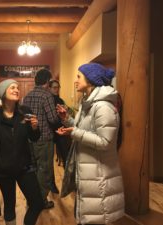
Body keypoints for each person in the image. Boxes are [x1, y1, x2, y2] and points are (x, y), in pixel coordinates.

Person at [56, 63, 125, 225]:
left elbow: (105, 141)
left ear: (91, 79)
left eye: (79, 76)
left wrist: (74, 132)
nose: (76, 80)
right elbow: (84, 129)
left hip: (99, 175)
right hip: (90, 173)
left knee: (99, 217)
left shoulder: (103, 106)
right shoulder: (87, 104)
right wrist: (67, 119)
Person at [0, 79, 44, 225]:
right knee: (9, 206)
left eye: (17, 88)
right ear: (4, 93)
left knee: (37, 203)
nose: (17, 90)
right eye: (12, 88)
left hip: (25, 167)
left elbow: (34, 137)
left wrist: (35, 128)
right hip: (3, 169)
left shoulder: (25, 113)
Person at [23, 69, 60, 209]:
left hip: (30, 140)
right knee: (44, 171)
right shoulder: (47, 95)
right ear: (47, 82)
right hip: (44, 139)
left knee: (32, 171)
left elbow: (25, 119)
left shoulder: (27, 96)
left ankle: (31, 200)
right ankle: (41, 202)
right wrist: (60, 117)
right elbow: (52, 119)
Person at [48, 80, 72, 168]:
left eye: (58, 87)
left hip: (61, 130)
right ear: (49, 88)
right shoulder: (48, 100)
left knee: (66, 155)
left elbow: (66, 114)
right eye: (54, 87)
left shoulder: (60, 100)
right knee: (48, 159)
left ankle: (67, 176)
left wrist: (66, 109)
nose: (56, 89)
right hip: (50, 130)